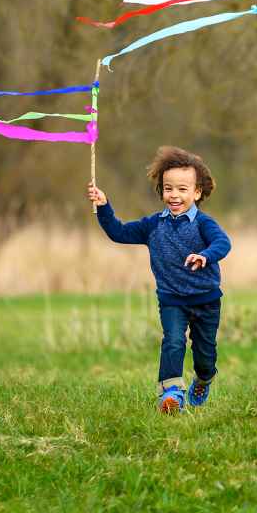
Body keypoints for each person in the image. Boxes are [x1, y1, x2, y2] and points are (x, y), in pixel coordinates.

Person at [87, 146, 230, 413]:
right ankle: (172, 392)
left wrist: (205, 256)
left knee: (205, 356)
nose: (174, 195)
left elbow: (223, 243)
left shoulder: (203, 223)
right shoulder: (153, 225)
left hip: (207, 300)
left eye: (182, 189)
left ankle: (204, 378)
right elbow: (118, 232)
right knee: (173, 340)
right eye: (168, 188)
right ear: (161, 190)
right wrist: (104, 207)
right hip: (172, 299)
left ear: (197, 193)